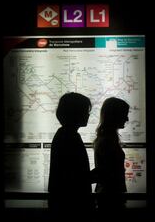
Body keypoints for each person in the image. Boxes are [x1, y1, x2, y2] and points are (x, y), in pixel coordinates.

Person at [48, 92, 95, 220]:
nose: (88, 114)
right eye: (85, 110)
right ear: (75, 112)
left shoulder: (64, 134)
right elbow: (73, 179)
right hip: (72, 208)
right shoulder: (69, 137)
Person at [93, 97, 129, 215]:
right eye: (124, 114)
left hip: (106, 196)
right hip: (110, 199)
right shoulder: (108, 141)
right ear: (115, 115)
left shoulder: (106, 139)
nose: (127, 119)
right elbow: (106, 172)